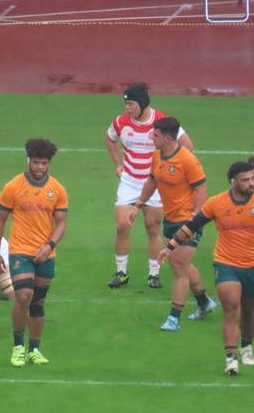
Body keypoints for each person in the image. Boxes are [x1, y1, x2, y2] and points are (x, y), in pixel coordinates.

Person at [158, 161, 254, 376]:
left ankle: (247, 344)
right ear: (233, 182)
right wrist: (170, 247)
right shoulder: (216, 203)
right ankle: (231, 359)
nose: (251, 183)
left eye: (253, 178)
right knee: (231, 309)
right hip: (227, 263)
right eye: (246, 180)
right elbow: (192, 226)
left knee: (249, 310)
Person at [128, 116, 216, 331]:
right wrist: (138, 205)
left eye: (155, 135)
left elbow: (201, 188)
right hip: (170, 218)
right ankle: (204, 302)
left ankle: (174, 318)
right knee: (183, 264)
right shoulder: (157, 156)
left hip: (188, 220)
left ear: (168, 138)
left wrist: (195, 217)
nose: (151, 137)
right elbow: (152, 180)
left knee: (178, 266)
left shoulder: (188, 160)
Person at [106, 83, 194, 289]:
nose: (127, 108)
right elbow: (110, 139)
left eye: (131, 104)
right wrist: (118, 164)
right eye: (126, 104)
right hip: (129, 182)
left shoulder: (162, 121)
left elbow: (188, 146)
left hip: (155, 184)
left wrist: (169, 169)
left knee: (152, 227)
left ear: (143, 103)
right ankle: (121, 272)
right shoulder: (120, 122)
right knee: (122, 226)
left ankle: (154, 274)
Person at [0, 138, 68, 367]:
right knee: (24, 296)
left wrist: (49, 246)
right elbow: (0, 220)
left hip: (46, 254)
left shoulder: (57, 189)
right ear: (28, 161)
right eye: (35, 162)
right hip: (20, 251)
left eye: (44, 163)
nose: (40, 167)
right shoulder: (13, 187)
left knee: (37, 303)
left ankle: (34, 349)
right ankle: (18, 347)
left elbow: (61, 223)